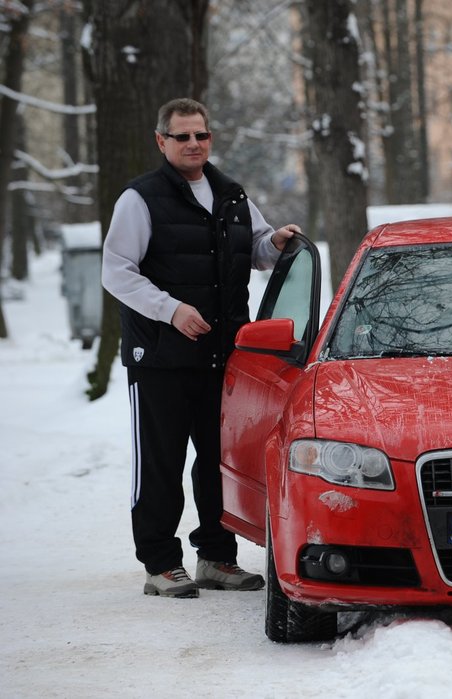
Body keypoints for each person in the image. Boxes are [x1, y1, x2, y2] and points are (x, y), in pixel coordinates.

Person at [102, 98, 300, 598]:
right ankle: (161, 564)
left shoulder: (231, 195)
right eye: (182, 136)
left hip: (225, 357)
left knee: (219, 460)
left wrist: (273, 243)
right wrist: (171, 310)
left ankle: (216, 557)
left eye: (201, 136)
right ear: (161, 141)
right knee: (161, 463)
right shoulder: (140, 199)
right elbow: (116, 271)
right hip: (162, 360)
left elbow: (252, 249)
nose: (193, 144)